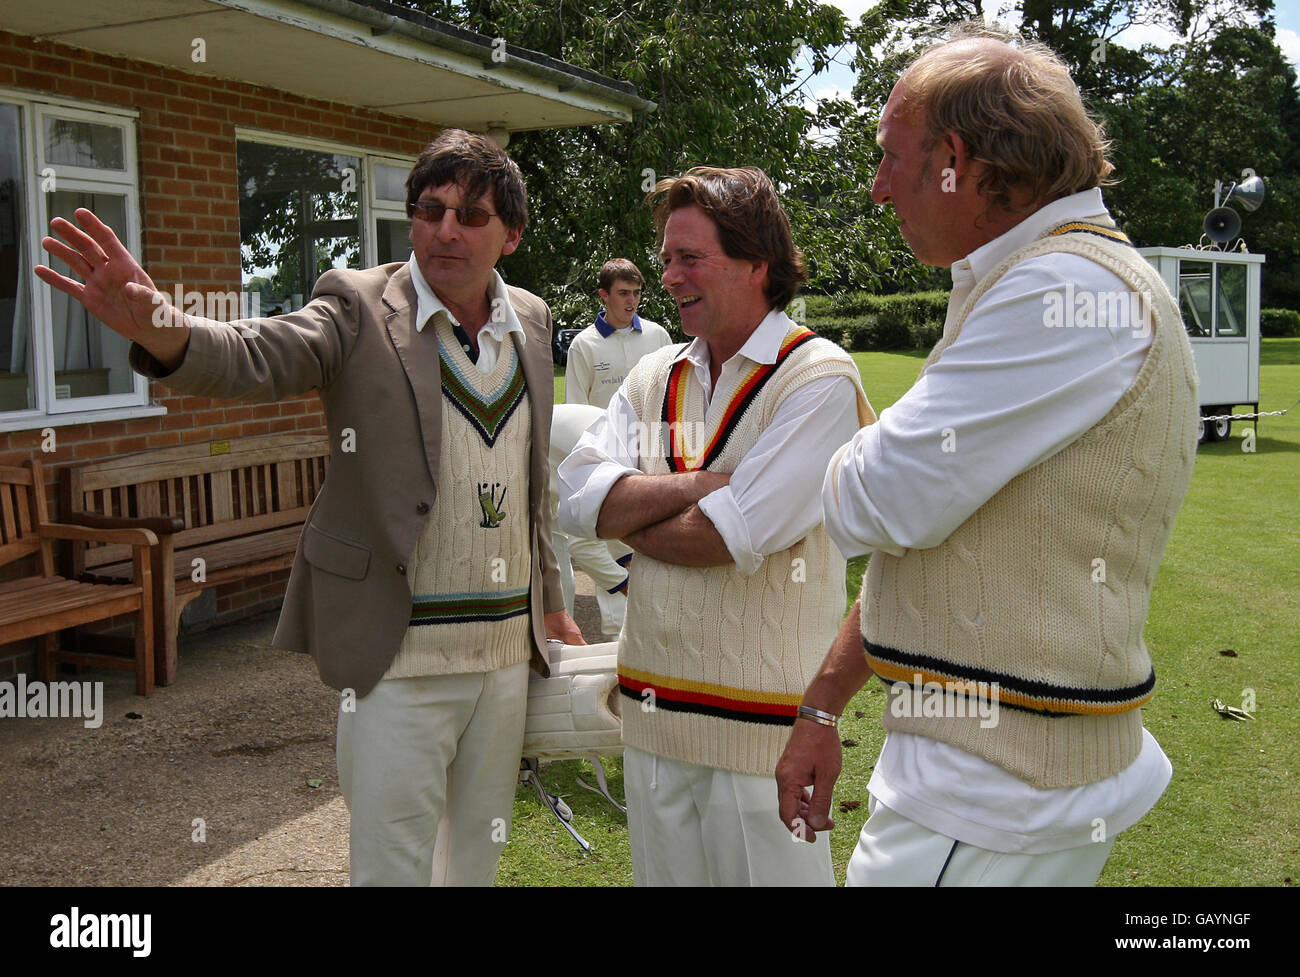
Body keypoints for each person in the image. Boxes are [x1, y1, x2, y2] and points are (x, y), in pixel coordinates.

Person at [36, 128, 583, 887]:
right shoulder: (357, 306)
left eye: (471, 214)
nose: (445, 230)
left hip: (502, 659)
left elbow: (532, 485)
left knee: (474, 867)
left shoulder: (530, 318)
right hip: (399, 658)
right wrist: (159, 323)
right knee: (391, 872)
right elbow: (254, 353)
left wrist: (552, 601)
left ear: (512, 234)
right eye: (429, 209)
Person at [775, 23, 1198, 886]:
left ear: (956, 161)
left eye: (893, 156)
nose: (877, 188)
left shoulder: (1062, 291)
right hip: (989, 771)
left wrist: (860, 446)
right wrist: (824, 701)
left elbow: (871, 505)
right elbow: (931, 531)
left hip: (992, 788)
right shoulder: (1045, 279)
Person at [559, 166, 874, 886]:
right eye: (666, 257)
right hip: (652, 715)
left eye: (689, 257)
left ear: (757, 262)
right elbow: (577, 497)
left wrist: (631, 507)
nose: (668, 275)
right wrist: (703, 484)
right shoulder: (653, 375)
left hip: (762, 731)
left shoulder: (817, 377)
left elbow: (728, 539)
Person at [549, 403, 631, 635]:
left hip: (553, 453)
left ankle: (562, 640)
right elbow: (583, 545)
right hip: (526, 456)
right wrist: (631, 590)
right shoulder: (613, 459)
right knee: (546, 557)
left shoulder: (636, 447)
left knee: (554, 555)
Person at [564, 258, 672, 409]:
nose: (632, 300)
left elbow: (672, 395)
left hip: (651, 432)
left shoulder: (658, 336)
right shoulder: (583, 345)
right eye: (623, 293)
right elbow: (576, 407)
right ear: (604, 295)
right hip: (604, 433)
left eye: (636, 293)